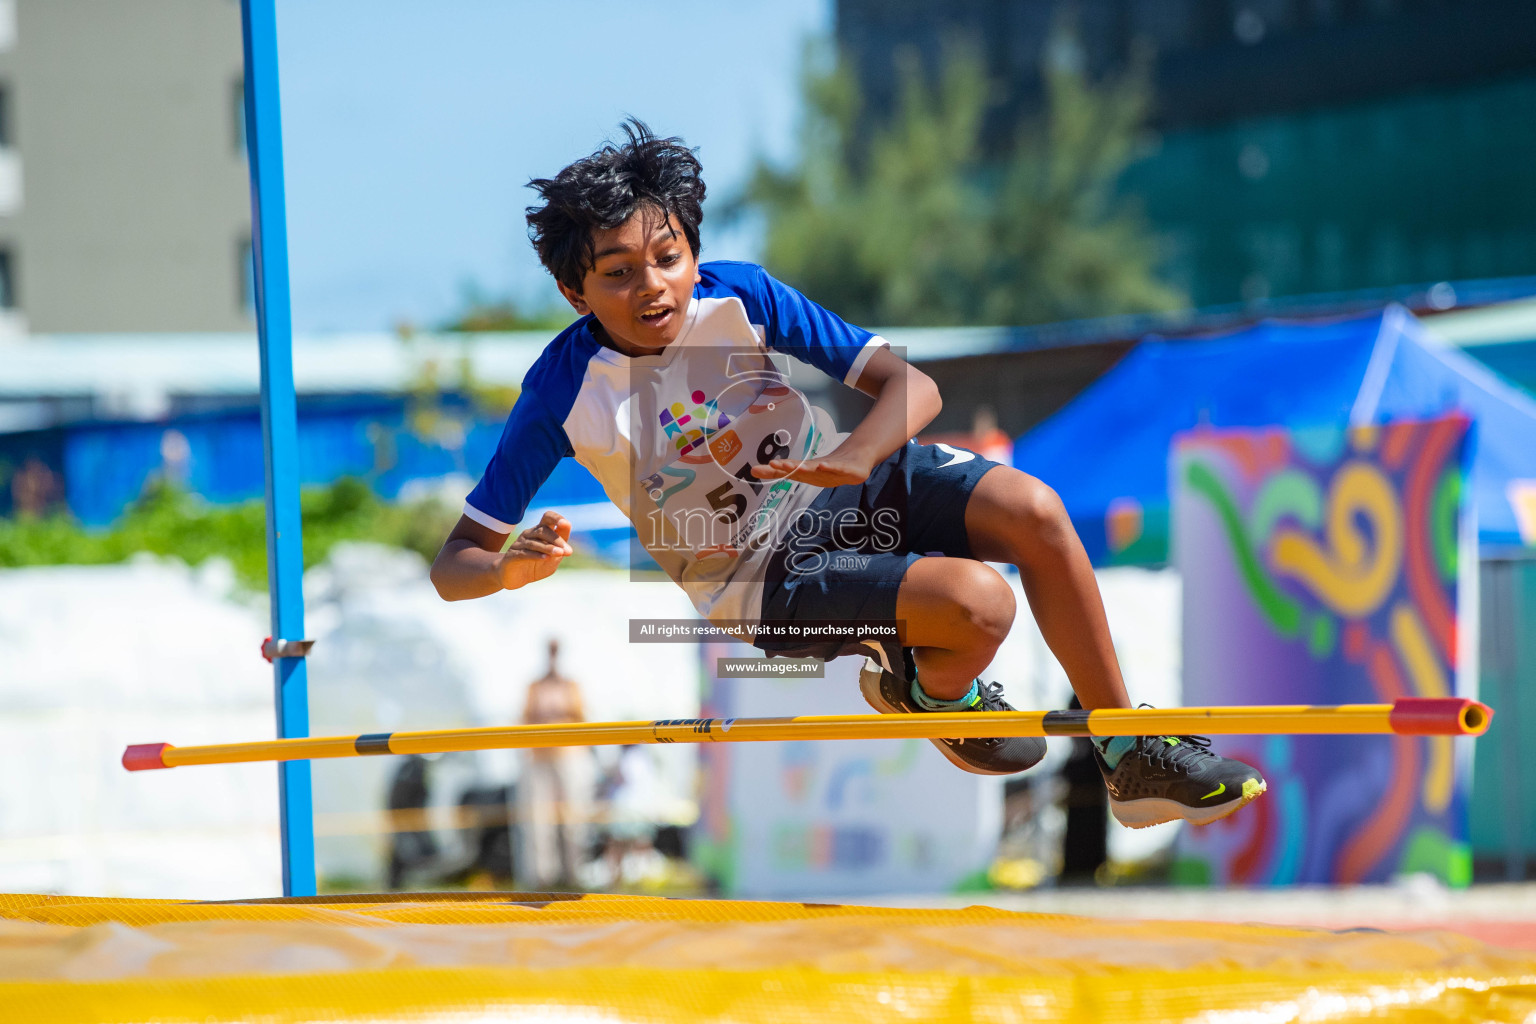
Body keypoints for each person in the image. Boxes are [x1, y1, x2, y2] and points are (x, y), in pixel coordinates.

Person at [430, 120, 1264, 830]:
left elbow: (914, 386)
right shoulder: (561, 390)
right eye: (618, 272)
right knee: (981, 603)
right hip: (763, 580)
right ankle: (932, 693)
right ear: (578, 293)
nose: (654, 286)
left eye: (667, 256)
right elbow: (452, 564)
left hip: (849, 487)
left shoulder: (742, 294)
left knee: (1036, 510)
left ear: (692, 251)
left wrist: (855, 457)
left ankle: (1127, 751)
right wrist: (507, 567)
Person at [518, 639, 593, 887]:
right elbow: (525, 720)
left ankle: (575, 873)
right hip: (540, 759)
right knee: (539, 821)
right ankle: (542, 877)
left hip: (569, 759)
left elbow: (583, 719)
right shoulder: (535, 687)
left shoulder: (571, 686)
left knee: (574, 818)